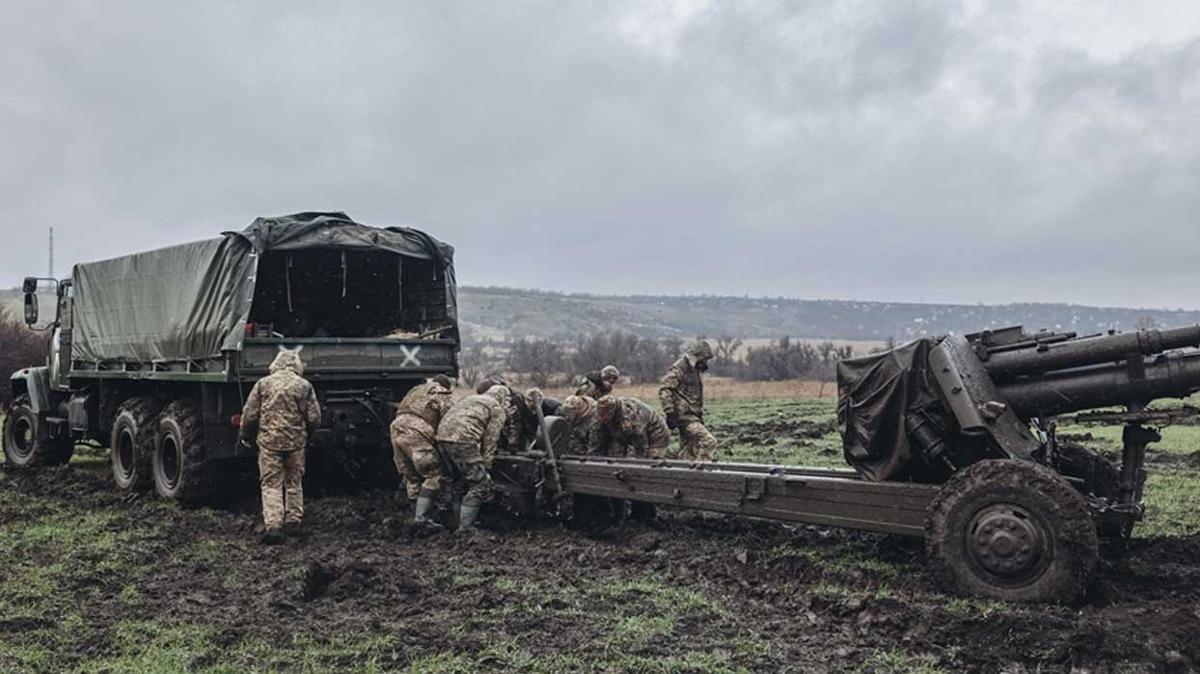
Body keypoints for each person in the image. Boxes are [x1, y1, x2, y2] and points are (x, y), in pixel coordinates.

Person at [239, 350, 321, 544]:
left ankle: (274, 525)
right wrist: (307, 433)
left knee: (271, 483)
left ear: (275, 364)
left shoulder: (263, 384)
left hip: (269, 442)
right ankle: (293, 521)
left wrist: (246, 436)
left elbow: (250, 415)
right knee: (294, 481)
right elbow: (314, 417)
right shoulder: (304, 386)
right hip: (295, 442)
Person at [434, 384, 510, 532]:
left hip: (442, 438)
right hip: (463, 440)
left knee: (458, 482)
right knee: (480, 484)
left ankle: (457, 521)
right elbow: (491, 440)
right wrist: (486, 466)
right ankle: (466, 527)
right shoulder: (496, 408)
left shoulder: (471, 398)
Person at [389, 375, 454, 525]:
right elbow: (448, 420)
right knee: (434, 475)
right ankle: (422, 518)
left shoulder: (416, 390)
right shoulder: (441, 392)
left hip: (396, 427)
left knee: (411, 475)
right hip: (416, 431)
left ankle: (413, 513)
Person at [659, 339, 719, 461]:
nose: (706, 363)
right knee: (709, 441)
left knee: (688, 454)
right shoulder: (679, 369)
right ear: (698, 357)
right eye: (705, 359)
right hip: (686, 418)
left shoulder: (694, 369)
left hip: (692, 416)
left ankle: (685, 476)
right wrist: (670, 412)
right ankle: (703, 471)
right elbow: (665, 389)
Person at [589, 395, 671, 460]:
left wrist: (639, 465)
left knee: (651, 460)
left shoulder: (633, 418)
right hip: (623, 431)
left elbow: (641, 447)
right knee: (616, 458)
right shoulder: (600, 411)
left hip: (656, 434)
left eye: (606, 417)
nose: (603, 419)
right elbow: (595, 442)